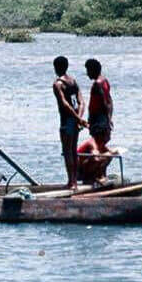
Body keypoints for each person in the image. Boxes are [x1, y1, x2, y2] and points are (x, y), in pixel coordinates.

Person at [52, 56, 86, 189]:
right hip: (75, 119)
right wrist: (79, 118)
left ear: (57, 67)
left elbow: (64, 104)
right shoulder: (73, 81)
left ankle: (71, 182)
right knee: (73, 150)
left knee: (67, 151)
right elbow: (81, 102)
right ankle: (74, 182)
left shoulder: (58, 84)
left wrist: (78, 119)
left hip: (67, 120)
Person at [85, 58, 113, 144]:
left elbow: (104, 101)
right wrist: (109, 118)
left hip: (98, 120)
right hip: (103, 119)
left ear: (93, 70)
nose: (87, 74)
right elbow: (110, 101)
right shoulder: (105, 81)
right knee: (100, 144)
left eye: (88, 70)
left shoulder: (97, 84)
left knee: (98, 145)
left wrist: (107, 120)